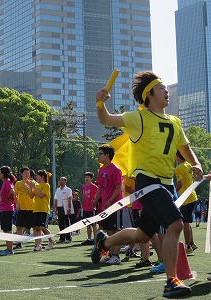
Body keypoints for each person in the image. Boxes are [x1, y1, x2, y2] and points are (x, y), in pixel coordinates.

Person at [93, 71, 203, 298]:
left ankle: (104, 242)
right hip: (147, 181)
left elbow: (185, 149)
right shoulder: (138, 118)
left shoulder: (175, 121)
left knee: (143, 235)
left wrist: (197, 163)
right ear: (149, 95)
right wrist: (100, 103)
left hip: (166, 183)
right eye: (161, 88)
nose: (166, 91)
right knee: (175, 225)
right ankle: (171, 281)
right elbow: (106, 119)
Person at [92, 145, 123, 265]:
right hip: (106, 207)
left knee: (116, 231)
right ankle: (109, 254)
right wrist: (96, 199)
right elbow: (100, 186)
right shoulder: (101, 170)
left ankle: (116, 256)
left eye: (100, 154)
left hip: (116, 205)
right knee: (108, 230)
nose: (98, 156)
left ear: (107, 155)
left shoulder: (116, 169)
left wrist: (110, 200)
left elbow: (119, 188)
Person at [175, 150, 198, 253]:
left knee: (185, 222)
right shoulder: (188, 164)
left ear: (177, 156)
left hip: (186, 198)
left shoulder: (178, 168)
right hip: (192, 196)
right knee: (187, 221)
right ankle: (192, 243)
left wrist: (174, 192)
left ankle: (188, 245)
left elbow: (180, 183)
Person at [29, 169, 55, 251]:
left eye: (37, 176)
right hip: (36, 209)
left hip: (43, 209)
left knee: (42, 227)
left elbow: (40, 195)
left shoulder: (46, 185)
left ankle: (51, 241)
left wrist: (34, 187)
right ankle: (38, 245)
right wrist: (30, 188)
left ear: (42, 177)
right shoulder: (36, 186)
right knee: (36, 227)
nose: (36, 177)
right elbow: (31, 196)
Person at [13, 167, 34, 250]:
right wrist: (17, 204)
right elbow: (15, 195)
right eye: (25, 173)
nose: (27, 174)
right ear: (21, 174)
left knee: (34, 227)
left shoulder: (33, 183)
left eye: (28, 173)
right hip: (21, 208)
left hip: (31, 208)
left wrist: (28, 187)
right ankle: (19, 243)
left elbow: (32, 195)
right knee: (19, 226)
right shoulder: (18, 183)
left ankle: (38, 243)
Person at [0, 165, 16, 256]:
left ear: (3, 174)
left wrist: (8, 198)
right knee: (5, 229)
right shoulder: (5, 182)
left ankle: (10, 249)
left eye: (0, 172)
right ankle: (8, 248)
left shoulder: (7, 182)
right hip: (4, 209)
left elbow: (12, 191)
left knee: (8, 229)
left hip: (7, 209)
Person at [53, 176, 73, 243]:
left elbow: (69, 199)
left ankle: (68, 238)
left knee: (66, 223)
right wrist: (55, 208)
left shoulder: (68, 190)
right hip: (59, 207)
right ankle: (62, 238)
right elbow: (56, 199)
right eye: (59, 180)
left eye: (62, 180)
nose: (60, 181)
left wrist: (69, 208)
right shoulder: (58, 190)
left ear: (65, 181)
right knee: (60, 223)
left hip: (65, 207)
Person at [81, 172, 98, 245]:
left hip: (92, 208)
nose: (86, 178)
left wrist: (95, 201)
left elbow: (98, 196)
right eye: (86, 177)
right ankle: (89, 238)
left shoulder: (94, 187)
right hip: (85, 208)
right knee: (87, 224)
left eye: (88, 177)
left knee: (93, 224)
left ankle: (95, 239)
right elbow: (83, 196)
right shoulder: (84, 187)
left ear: (91, 178)